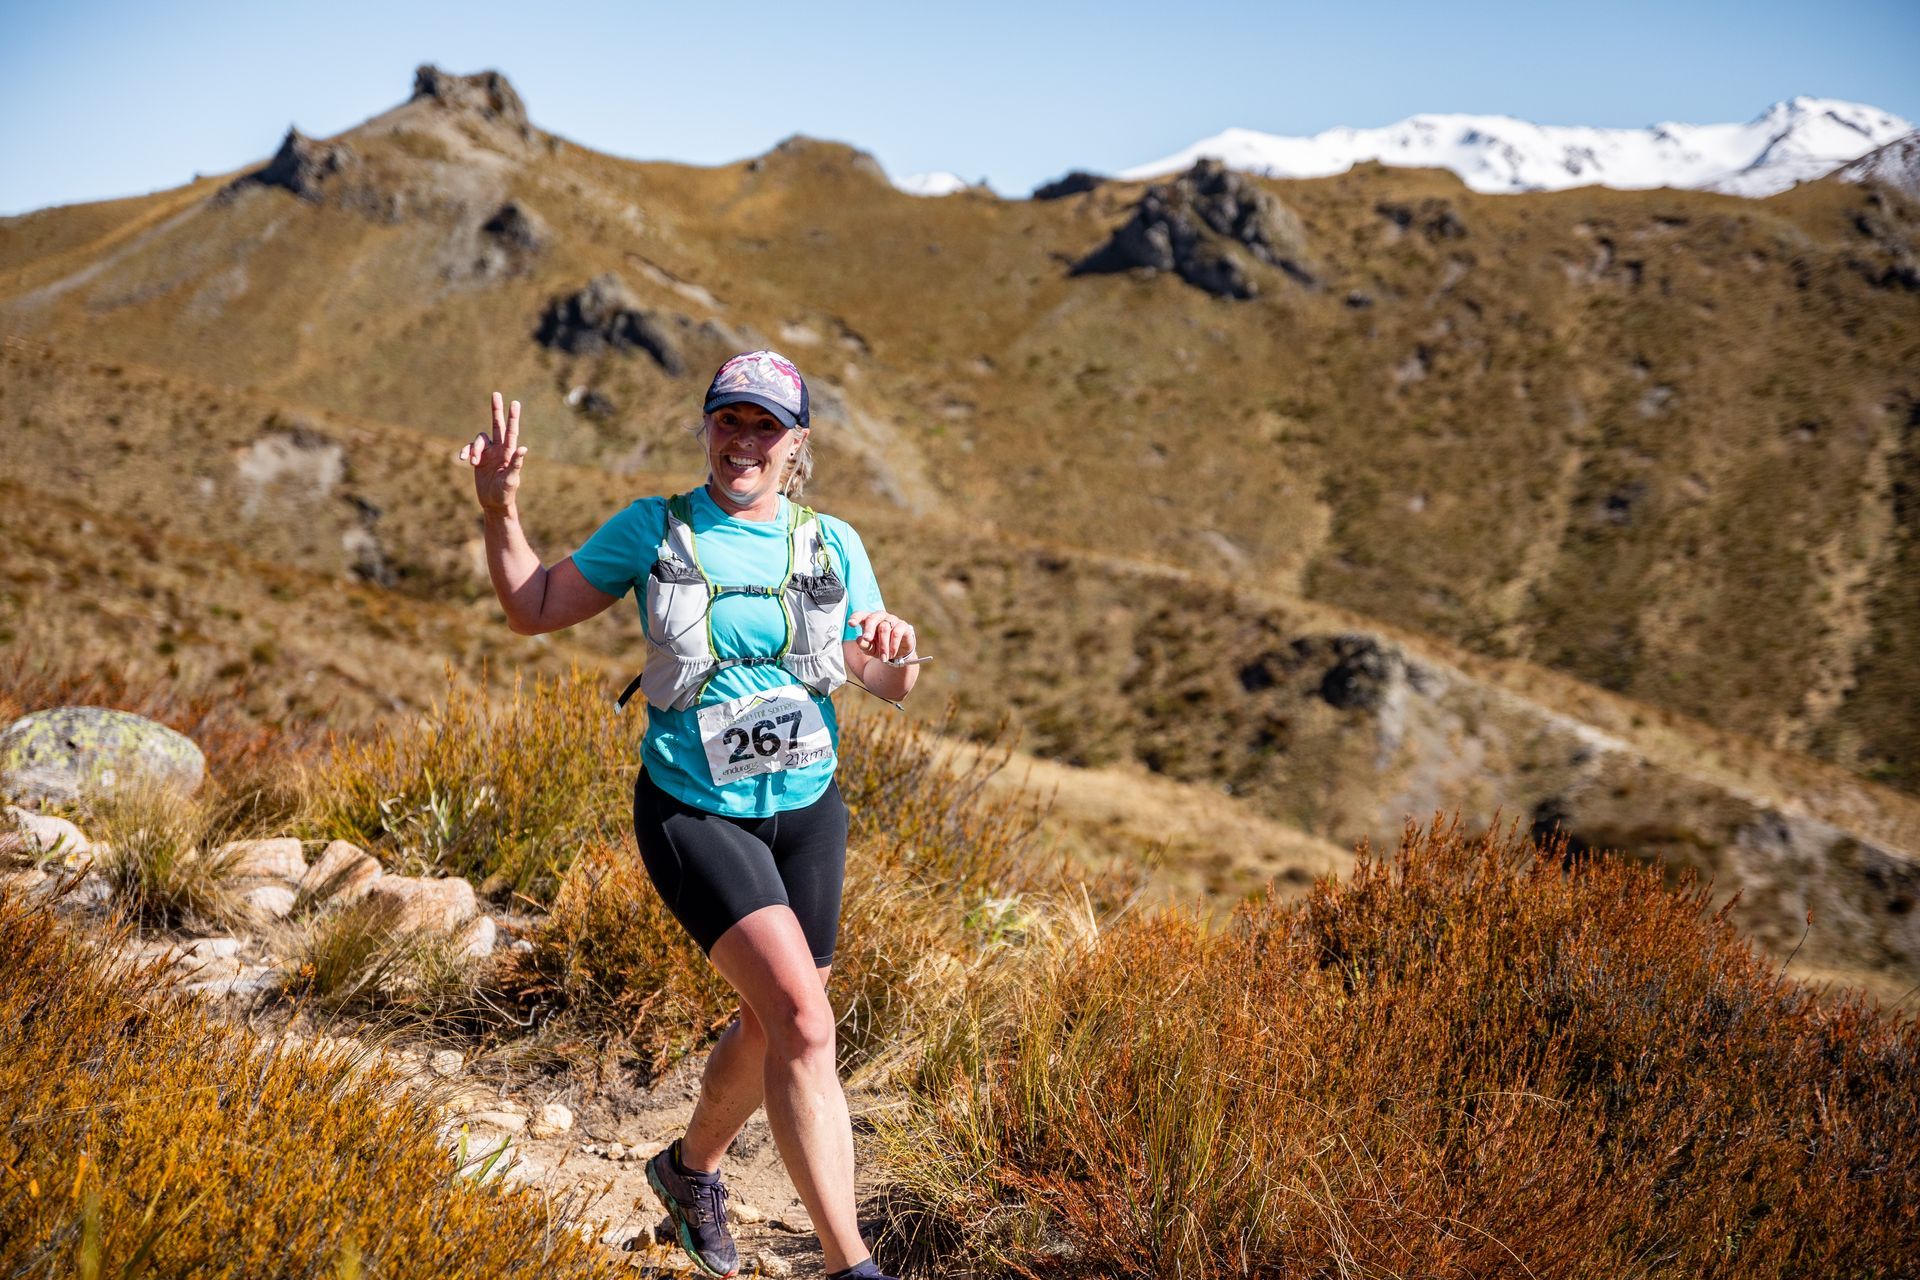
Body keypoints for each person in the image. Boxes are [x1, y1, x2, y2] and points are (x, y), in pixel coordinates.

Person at [459, 351, 919, 1280]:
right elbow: (532, 608)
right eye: (728, 420)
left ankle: (687, 1170)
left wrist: (898, 652)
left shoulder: (833, 542)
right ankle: (851, 1266)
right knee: (805, 1020)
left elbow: (882, 679)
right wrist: (499, 509)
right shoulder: (654, 528)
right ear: (706, 427)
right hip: (693, 812)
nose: (744, 441)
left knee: (771, 1020)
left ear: (796, 444)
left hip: (808, 810)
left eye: (765, 426)